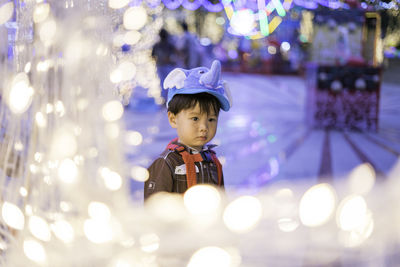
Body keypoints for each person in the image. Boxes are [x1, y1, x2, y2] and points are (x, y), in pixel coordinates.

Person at [144, 60, 233, 200]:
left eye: (211, 119)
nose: (204, 127)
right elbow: (154, 209)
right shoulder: (166, 163)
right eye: (195, 119)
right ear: (173, 119)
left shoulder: (213, 162)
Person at [152, 28, 178, 102]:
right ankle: (168, 99)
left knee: (163, 82)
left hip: (161, 65)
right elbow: (177, 53)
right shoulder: (168, 44)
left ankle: (166, 99)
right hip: (166, 66)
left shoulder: (158, 45)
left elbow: (152, 56)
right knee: (169, 82)